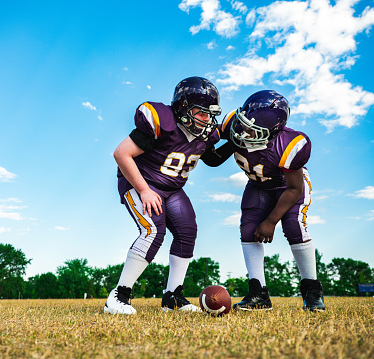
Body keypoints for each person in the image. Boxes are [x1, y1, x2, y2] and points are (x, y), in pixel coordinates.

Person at [104, 76, 223, 314]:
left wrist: (236, 142)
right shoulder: (163, 122)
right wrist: (144, 190)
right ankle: (118, 296)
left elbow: (212, 159)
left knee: (187, 232)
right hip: (141, 183)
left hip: (172, 189)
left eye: (210, 114)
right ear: (183, 107)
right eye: (201, 112)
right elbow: (121, 154)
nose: (207, 119)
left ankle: (172, 297)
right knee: (153, 231)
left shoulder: (204, 134)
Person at [203, 90, 325, 311]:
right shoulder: (235, 123)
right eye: (243, 123)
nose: (244, 131)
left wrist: (270, 221)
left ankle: (312, 291)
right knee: (248, 229)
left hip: (286, 186)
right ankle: (258, 294)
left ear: (272, 132)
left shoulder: (290, 144)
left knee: (293, 225)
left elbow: (294, 189)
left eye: (252, 129)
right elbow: (212, 154)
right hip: (258, 184)